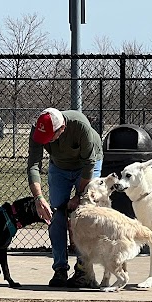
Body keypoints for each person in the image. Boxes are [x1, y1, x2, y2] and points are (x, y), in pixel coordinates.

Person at [27, 107, 103, 287]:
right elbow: (33, 165)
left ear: (62, 129)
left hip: (87, 166)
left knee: (84, 216)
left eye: (50, 138)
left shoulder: (80, 126)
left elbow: (89, 165)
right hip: (59, 167)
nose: (46, 142)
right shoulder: (38, 130)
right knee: (56, 215)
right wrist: (38, 198)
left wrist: (78, 196)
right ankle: (60, 269)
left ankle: (83, 271)